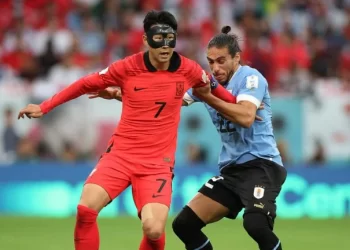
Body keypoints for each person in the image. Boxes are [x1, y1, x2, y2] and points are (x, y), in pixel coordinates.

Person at [17, 11, 236, 250]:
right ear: (145, 39)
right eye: (158, 38)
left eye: (170, 38)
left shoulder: (189, 69)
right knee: (85, 208)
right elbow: (84, 84)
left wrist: (241, 106)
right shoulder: (126, 67)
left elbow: (216, 90)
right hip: (120, 155)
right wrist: (44, 106)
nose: (165, 45)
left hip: (156, 164)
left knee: (153, 230)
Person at [171, 26, 286, 250]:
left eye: (221, 60)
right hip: (232, 171)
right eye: (211, 61)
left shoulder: (250, 78)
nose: (215, 68)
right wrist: (123, 93)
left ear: (236, 57)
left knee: (255, 224)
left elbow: (245, 117)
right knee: (184, 225)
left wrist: (208, 98)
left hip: (262, 164)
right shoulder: (207, 85)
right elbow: (171, 101)